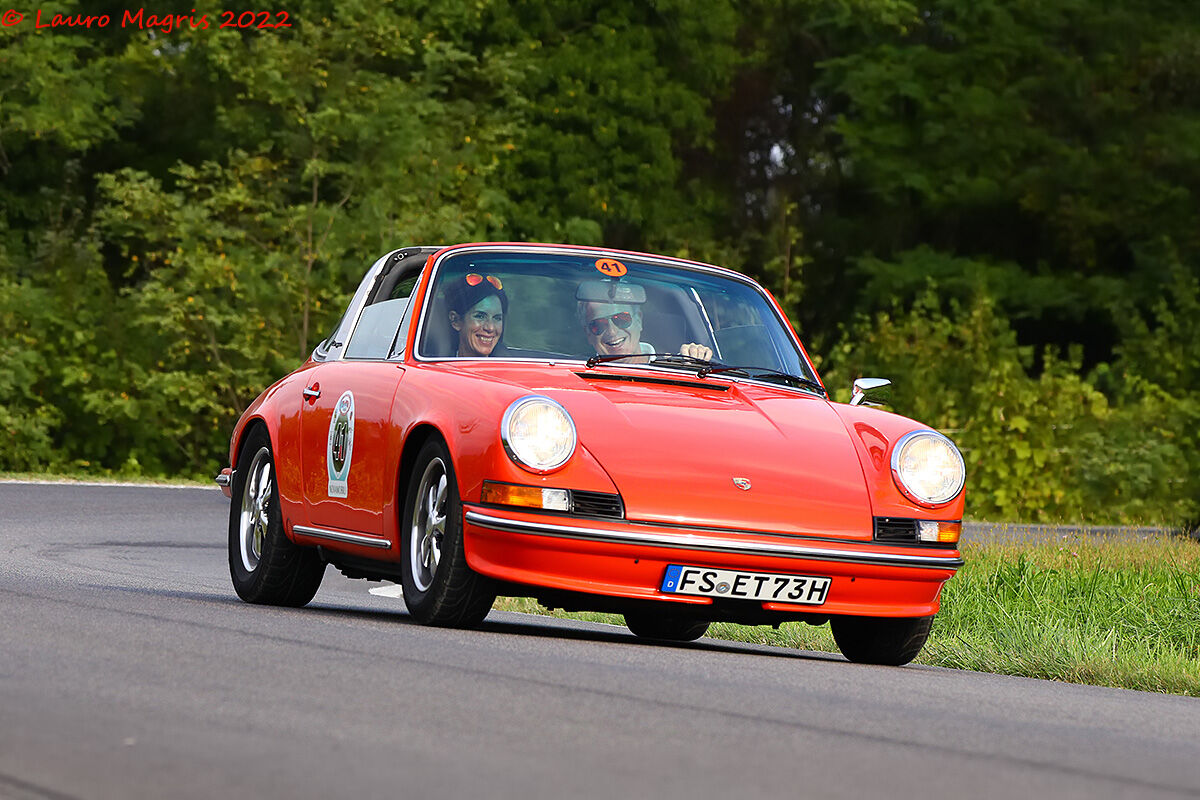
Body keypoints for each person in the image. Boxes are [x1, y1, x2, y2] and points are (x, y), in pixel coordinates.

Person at [578, 299, 713, 362]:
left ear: (639, 320)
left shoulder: (675, 365)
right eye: (599, 325)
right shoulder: (576, 376)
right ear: (588, 334)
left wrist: (695, 357)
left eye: (621, 319)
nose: (612, 332)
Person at [445, 273, 508, 357]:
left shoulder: (513, 368)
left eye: (497, 318)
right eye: (480, 316)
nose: (490, 328)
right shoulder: (435, 368)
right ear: (456, 320)